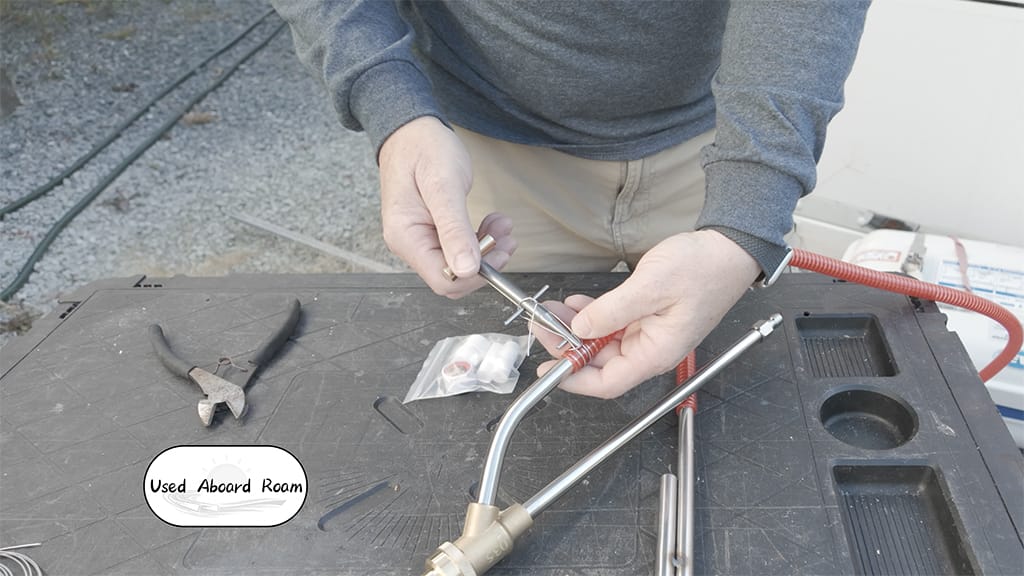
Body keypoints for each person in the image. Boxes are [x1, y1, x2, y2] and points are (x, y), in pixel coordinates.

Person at [273, 1, 870, 398]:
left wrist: (746, 217)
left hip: (720, 149)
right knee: (503, 380)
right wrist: (394, 111)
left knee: (740, 390)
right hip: (484, 153)